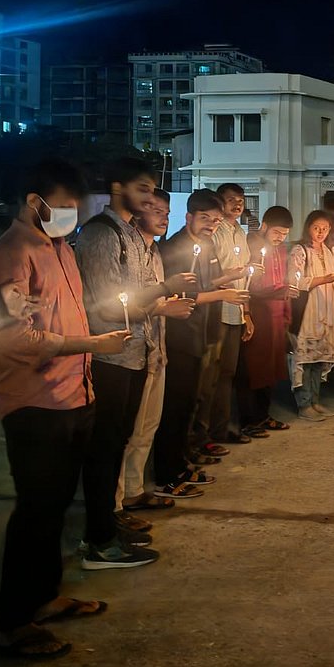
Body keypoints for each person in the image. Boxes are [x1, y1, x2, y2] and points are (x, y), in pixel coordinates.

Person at [0, 158, 132, 659]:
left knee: (55, 508)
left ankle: (44, 597)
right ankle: (15, 620)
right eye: (66, 207)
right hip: (34, 402)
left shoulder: (60, 249)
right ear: (34, 202)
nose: (73, 216)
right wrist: (91, 342)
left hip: (74, 395)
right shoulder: (10, 255)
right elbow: (14, 340)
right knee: (36, 513)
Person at [72, 157, 174, 564]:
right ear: (118, 188)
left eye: (153, 190)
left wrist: (155, 300)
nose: (150, 199)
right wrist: (163, 292)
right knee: (103, 449)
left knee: (118, 444)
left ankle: (108, 525)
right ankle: (97, 540)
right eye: (144, 189)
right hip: (111, 354)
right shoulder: (101, 234)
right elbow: (108, 305)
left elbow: (139, 294)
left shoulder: (131, 234)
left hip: (136, 351)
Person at [155, 189, 248, 498]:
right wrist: (223, 295)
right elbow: (183, 295)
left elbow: (206, 283)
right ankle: (167, 473)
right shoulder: (174, 248)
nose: (210, 224)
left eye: (216, 220)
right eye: (205, 218)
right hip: (180, 336)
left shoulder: (206, 244)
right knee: (175, 406)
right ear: (189, 217)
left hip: (202, 333)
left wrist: (230, 278)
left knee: (190, 403)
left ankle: (181, 462)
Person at [117, 189, 196, 516]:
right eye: (154, 209)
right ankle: (116, 503)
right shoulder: (127, 251)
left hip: (155, 349)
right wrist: (163, 306)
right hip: (129, 351)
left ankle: (135, 491)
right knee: (127, 431)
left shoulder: (155, 253)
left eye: (165, 211)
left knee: (147, 427)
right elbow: (125, 304)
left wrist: (165, 307)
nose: (163, 217)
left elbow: (155, 301)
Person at [203, 182, 252, 448]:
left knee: (228, 372)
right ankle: (210, 432)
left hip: (235, 309)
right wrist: (232, 277)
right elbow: (210, 276)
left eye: (240, 199)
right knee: (214, 374)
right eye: (231, 199)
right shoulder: (216, 232)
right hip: (217, 309)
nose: (237, 203)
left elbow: (243, 276)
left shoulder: (239, 232)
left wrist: (246, 312)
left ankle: (223, 427)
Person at [239, 207, 295, 434]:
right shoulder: (251, 245)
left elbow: (281, 280)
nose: (280, 237)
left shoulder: (280, 249)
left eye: (284, 234)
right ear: (264, 226)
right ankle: (249, 420)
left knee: (271, 369)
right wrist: (280, 291)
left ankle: (263, 416)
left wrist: (286, 310)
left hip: (276, 315)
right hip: (259, 314)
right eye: (277, 232)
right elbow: (251, 286)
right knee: (255, 369)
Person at [288, 210, 334, 421]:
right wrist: (323, 279)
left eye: (325, 228)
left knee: (319, 357)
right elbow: (295, 282)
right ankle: (304, 404)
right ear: (308, 227)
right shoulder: (300, 251)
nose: (320, 232)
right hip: (309, 310)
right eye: (316, 228)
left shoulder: (329, 251)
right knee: (306, 357)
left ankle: (315, 400)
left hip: (327, 310)